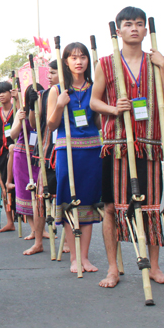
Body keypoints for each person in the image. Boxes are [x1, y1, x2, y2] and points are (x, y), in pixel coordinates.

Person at [90, 6, 164, 288]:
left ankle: (154, 266)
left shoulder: (155, 61)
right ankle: (113, 268)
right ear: (119, 30)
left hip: (149, 145)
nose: (134, 28)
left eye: (139, 24)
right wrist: (114, 109)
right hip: (116, 145)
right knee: (112, 208)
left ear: (145, 31)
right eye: (128, 24)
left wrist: (163, 67)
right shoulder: (106, 63)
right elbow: (94, 102)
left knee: (151, 207)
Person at [47, 42, 102, 274]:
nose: (79, 62)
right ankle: (74, 258)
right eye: (73, 58)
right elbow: (50, 125)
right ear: (66, 62)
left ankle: (85, 257)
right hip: (66, 151)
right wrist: (60, 106)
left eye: (83, 57)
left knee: (88, 203)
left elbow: (98, 123)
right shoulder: (57, 90)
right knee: (70, 202)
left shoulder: (96, 88)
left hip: (92, 150)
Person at [28, 60, 68, 255]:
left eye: (53, 73)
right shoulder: (42, 96)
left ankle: (68, 240)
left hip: (67, 150)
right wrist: (31, 105)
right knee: (41, 197)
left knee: (67, 196)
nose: (49, 76)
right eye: (49, 73)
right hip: (46, 151)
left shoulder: (73, 93)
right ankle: (38, 241)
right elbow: (34, 124)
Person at [10, 83, 45, 247]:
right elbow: (13, 134)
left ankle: (41, 228)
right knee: (25, 194)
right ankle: (33, 229)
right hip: (23, 157)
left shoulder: (45, 110)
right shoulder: (21, 111)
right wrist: (19, 120)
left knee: (40, 193)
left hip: (39, 156)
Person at [0, 82, 17, 233]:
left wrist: (18, 99)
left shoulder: (17, 109)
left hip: (17, 150)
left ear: (10, 93)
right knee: (3, 186)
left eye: (4, 92)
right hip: (1, 152)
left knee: (18, 185)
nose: (1, 95)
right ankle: (9, 221)